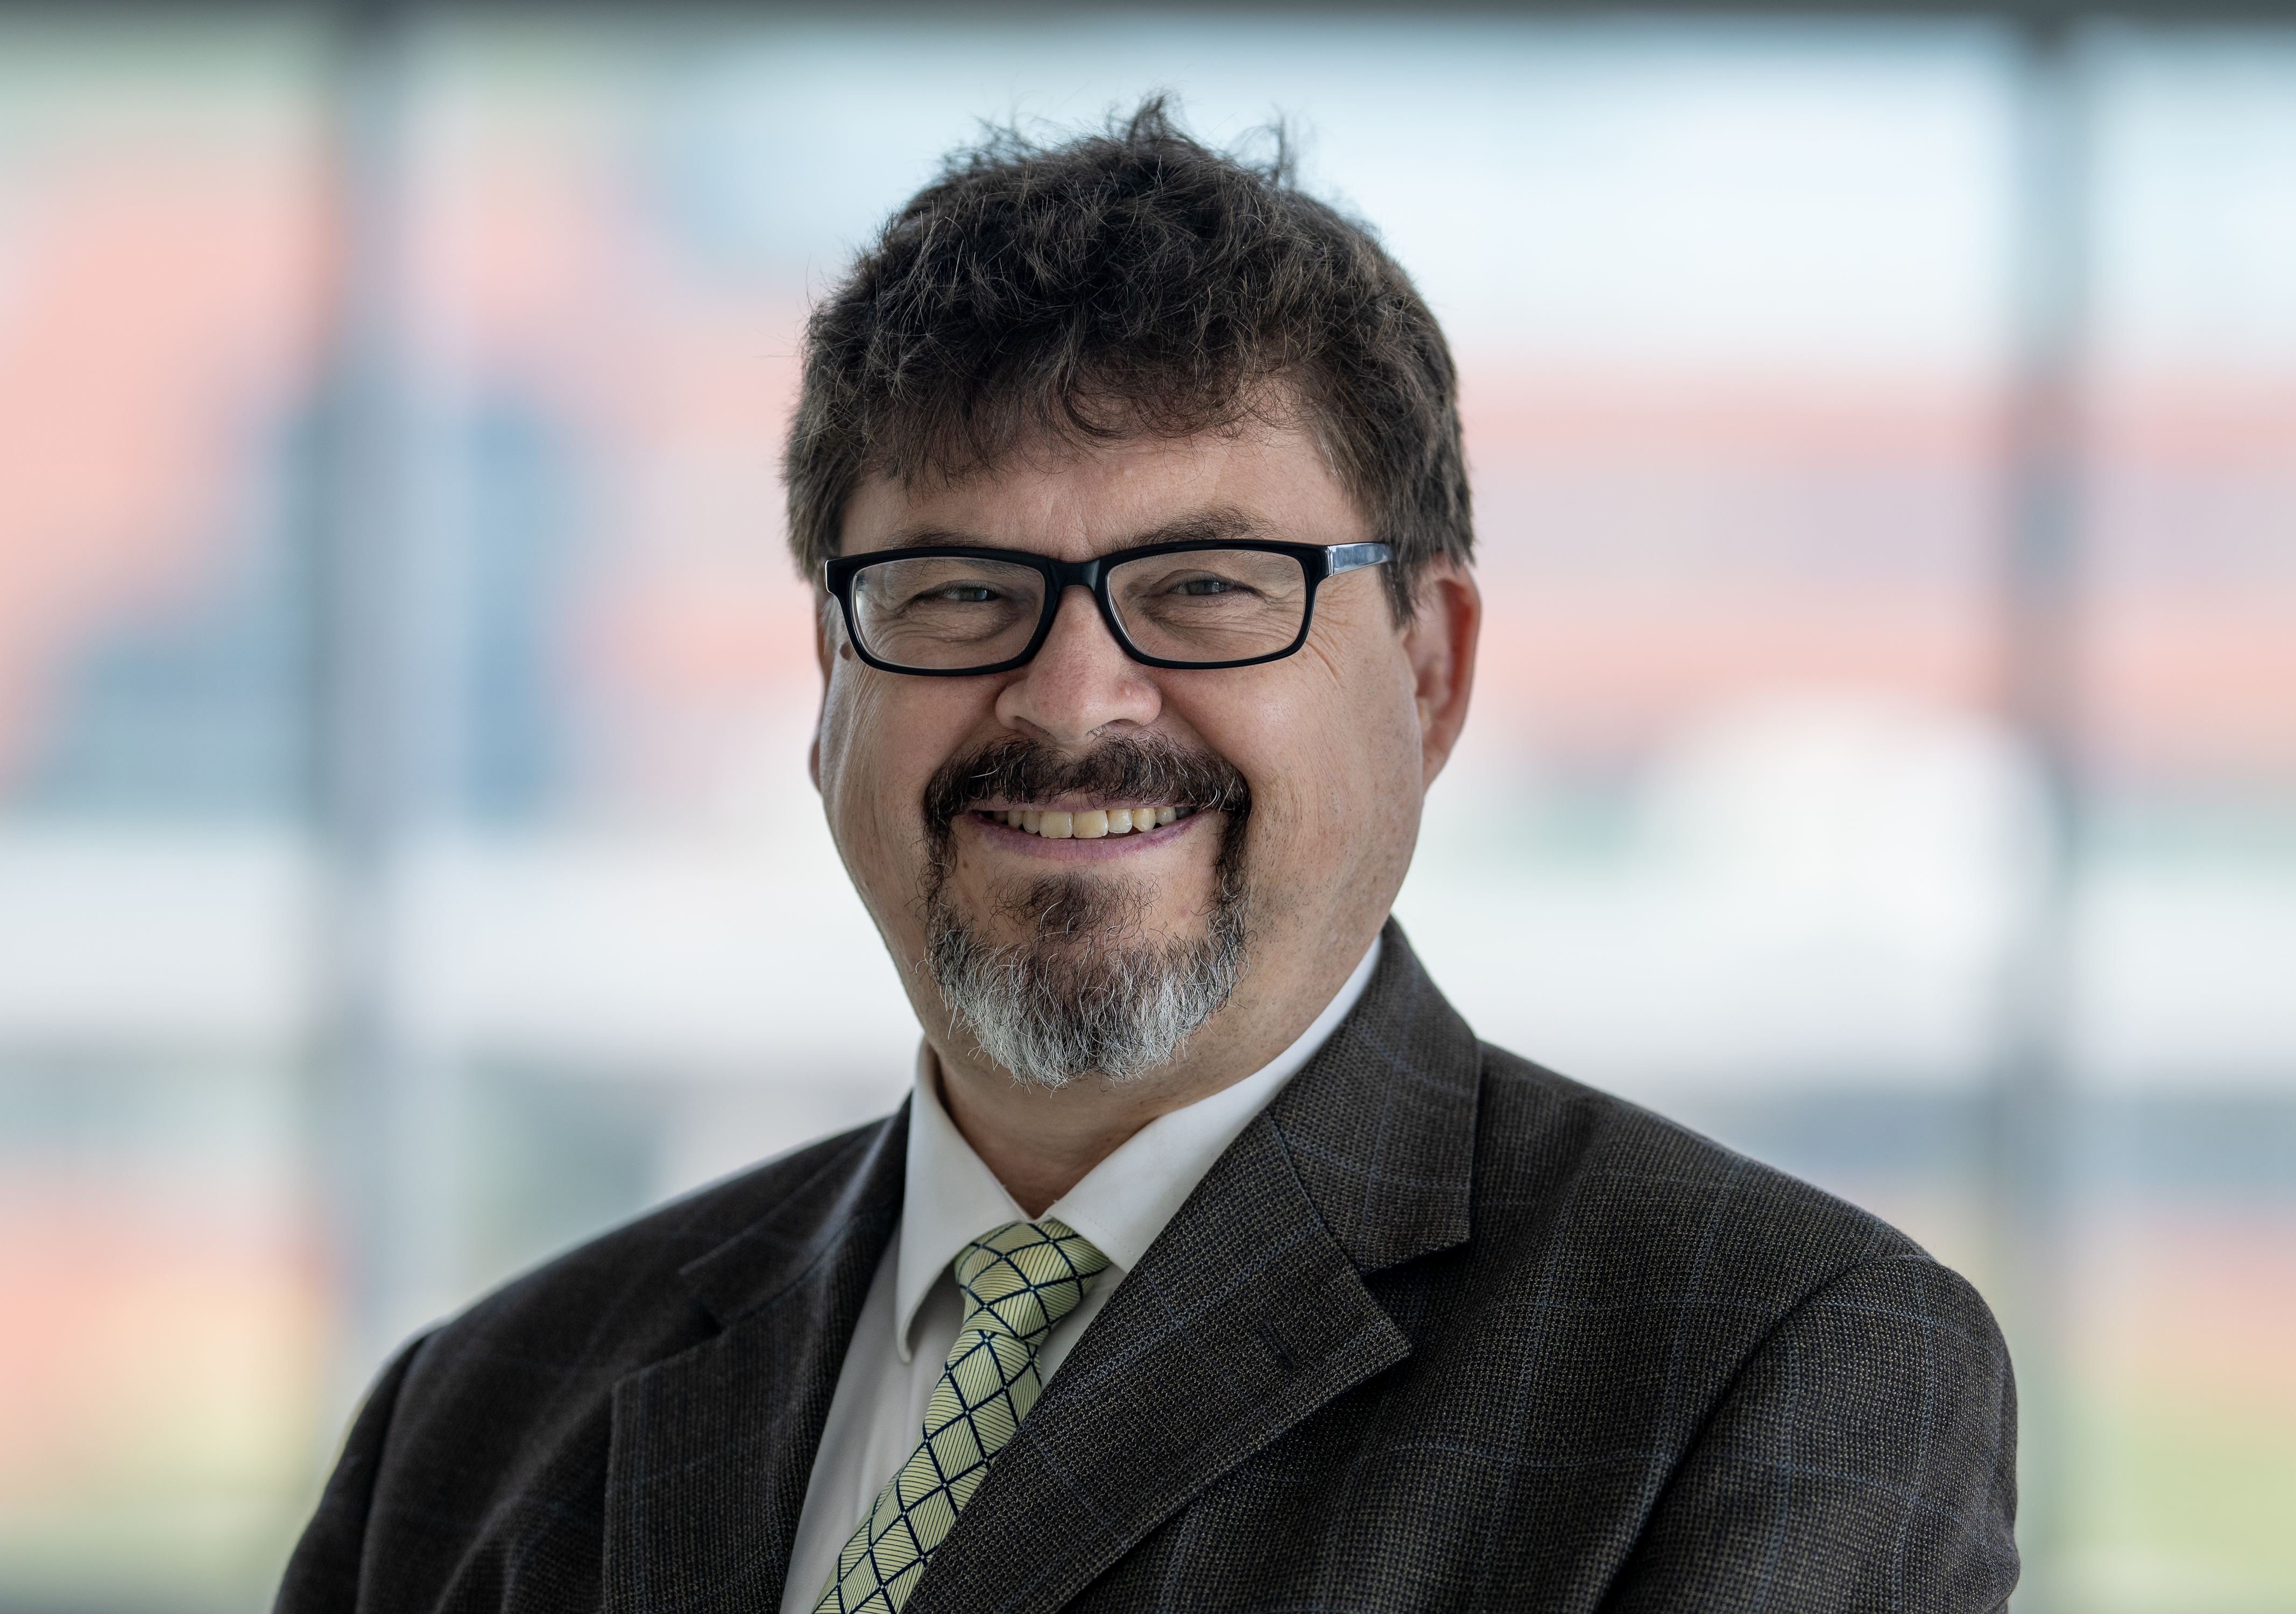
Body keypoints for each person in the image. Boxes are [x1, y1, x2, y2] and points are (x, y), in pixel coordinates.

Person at [278, 102, 2019, 1614]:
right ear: (829, 686)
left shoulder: (1770, 1369)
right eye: (958, 593)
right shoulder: (485, 1409)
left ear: (1428, 671)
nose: (1073, 697)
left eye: (1204, 587)